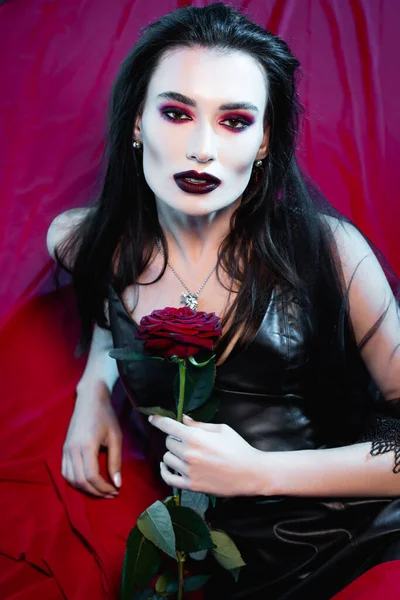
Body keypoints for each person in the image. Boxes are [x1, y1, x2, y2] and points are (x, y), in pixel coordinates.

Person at [47, 3, 400, 598]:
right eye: (177, 113)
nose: (202, 148)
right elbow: (114, 312)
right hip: (212, 562)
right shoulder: (84, 242)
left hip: (358, 540)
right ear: (137, 123)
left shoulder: (330, 251)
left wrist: (260, 471)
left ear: (264, 142)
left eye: (235, 121)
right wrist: (92, 393)